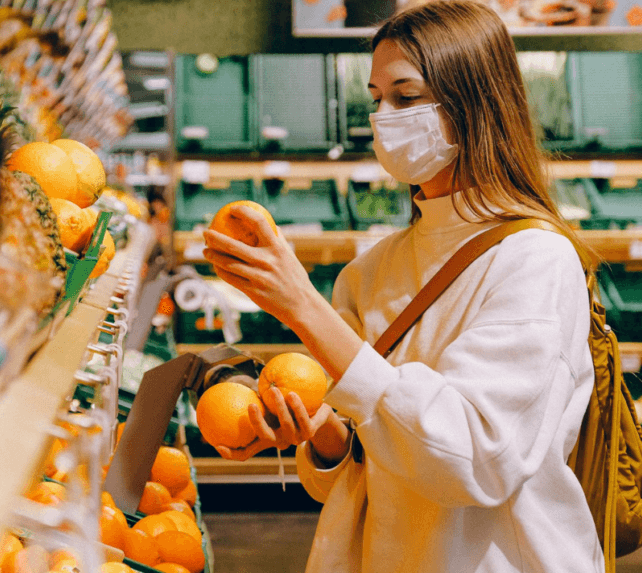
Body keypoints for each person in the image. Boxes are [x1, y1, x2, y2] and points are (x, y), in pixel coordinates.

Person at [201, 2, 604, 572]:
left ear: (473, 103)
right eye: (376, 98)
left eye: (406, 97)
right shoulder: (372, 270)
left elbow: (473, 459)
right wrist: (315, 431)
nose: (383, 116)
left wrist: (300, 306)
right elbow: (364, 460)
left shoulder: (535, 259)